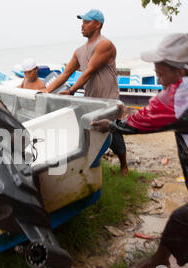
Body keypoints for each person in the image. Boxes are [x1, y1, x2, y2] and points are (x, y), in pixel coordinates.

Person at [90, 33, 188, 268]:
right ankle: (158, 261)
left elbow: (140, 121)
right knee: (181, 220)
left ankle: (157, 262)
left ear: (180, 72)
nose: (158, 80)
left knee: (186, 220)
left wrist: (112, 125)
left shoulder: (179, 96)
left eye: (161, 74)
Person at [43, 9, 128, 175]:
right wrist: (46, 90)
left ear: (98, 24)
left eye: (86, 21)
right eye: (82, 21)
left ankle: (124, 165)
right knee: (91, 130)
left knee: (113, 132)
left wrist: (72, 90)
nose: (82, 25)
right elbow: (65, 74)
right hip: (91, 99)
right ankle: (92, 163)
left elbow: (88, 71)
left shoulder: (105, 45)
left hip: (108, 99)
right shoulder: (79, 51)